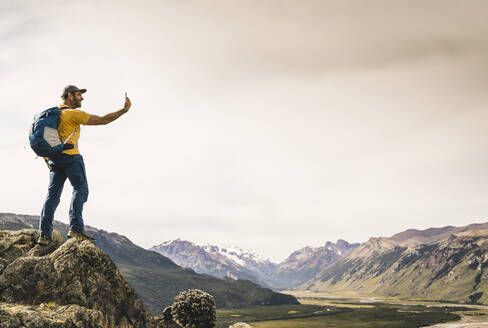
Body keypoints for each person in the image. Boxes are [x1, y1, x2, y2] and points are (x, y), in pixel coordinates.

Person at [37, 85, 131, 245]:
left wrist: (49, 160)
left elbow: (46, 139)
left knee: (52, 196)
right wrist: (123, 110)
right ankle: (76, 228)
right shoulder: (72, 114)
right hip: (71, 157)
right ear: (69, 96)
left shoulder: (53, 115)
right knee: (80, 189)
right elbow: (103, 120)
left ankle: (44, 235)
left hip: (54, 159)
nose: (82, 98)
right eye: (78, 94)